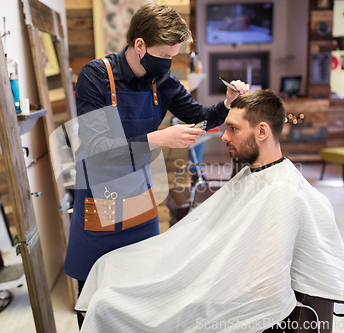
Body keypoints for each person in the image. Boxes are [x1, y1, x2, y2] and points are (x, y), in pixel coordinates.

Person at [74, 90, 344, 332]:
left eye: (233, 128)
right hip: (200, 268)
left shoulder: (282, 191)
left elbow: (265, 289)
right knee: (107, 266)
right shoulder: (256, 174)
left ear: (262, 131)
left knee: (107, 302)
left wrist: (196, 284)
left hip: (216, 287)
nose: (224, 137)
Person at [63, 4, 249, 328]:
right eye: (165, 54)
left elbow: (199, 117)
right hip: (100, 201)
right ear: (139, 46)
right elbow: (98, 151)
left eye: (173, 55)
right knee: (94, 298)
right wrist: (159, 138)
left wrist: (227, 104)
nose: (169, 63)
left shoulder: (160, 80)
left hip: (139, 199)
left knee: (142, 289)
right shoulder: (96, 76)